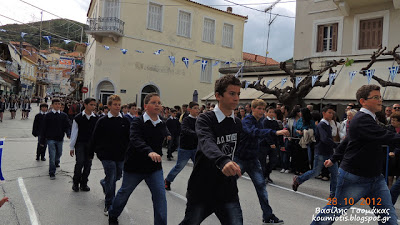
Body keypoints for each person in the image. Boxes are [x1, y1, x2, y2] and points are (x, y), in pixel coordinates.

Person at [312, 85, 400, 224]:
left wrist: (334, 158)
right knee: (332, 212)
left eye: (380, 97)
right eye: (375, 97)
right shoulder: (362, 120)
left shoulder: (370, 119)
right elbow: (386, 136)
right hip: (354, 178)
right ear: (362, 101)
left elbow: (347, 141)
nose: (380, 100)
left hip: (375, 179)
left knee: (389, 218)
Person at [180, 75, 243, 225]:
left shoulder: (237, 123)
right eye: (232, 93)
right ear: (218, 96)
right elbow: (206, 141)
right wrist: (223, 160)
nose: (236, 98)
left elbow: (237, 149)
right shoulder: (205, 119)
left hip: (227, 190)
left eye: (238, 94)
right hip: (202, 188)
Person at [108, 93, 171, 225]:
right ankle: (113, 213)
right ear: (146, 106)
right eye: (154, 102)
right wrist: (150, 152)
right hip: (134, 166)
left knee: (160, 197)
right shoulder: (137, 121)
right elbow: (136, 139)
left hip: (154, 168)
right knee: (124, 193)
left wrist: (168, 135)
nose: (157, 105)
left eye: (159, 102)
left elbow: (165, 132)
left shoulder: (162, 123)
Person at [235, 99, 288, 224]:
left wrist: (277, 141)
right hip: (240, 158)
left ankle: (268, 216)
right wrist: (275, 132)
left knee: (261, 188)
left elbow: (264, 134)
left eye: (263, 109)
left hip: (253, 159)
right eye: (259, 108)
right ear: (252, 109)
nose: (261, 111)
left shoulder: (262, 122)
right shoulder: (247, 121)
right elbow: (253, 132)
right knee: (227, 185)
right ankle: (213, 204)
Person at [89, 95, 130, 216]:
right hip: (106, 155)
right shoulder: (103, 120)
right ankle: (109, 204)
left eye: (119, 104)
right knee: (112, 177)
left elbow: (130, 138)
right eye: (115, 104)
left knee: (117, 175)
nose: (117, 107)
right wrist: (92, 152)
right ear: (109, 106)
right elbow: (95, 137)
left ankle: (104, 182)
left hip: (121, 155)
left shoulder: (125, 121)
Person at [292, 106, 338, 198]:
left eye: (332, 113)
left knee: (335, 173)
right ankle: (298, 179)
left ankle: (333, 194)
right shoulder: (321, 125)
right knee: (316, 172)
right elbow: (324, 138)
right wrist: (336, 145)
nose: (331, 114)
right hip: (321, 152)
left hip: (329, 152)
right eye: (329, 112)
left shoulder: (329, 124)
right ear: (324, 113)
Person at [165, 101, 200, 191]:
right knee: (179, 166)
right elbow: (185, 130)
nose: (197, 110)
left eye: (198, 108)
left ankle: (198, 186)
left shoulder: (199, 120)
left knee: (199, 167)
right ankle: (168, 180)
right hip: (185, 148)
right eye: (195, 108)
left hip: (196, 148)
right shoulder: (186, 120)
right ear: (189, 109)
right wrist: (196, 134)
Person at [69, 98, 99, 192]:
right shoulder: (78, 118)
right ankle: (75, 182)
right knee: (80, 162)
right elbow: (74, 132)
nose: (93, 107)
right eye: (91, 104)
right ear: (85, 105)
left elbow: (98, 133)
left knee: (88, 164)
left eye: (94, 105)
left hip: (91, 145)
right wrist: (71, 147)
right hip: (80, 143)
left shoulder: (96, 118)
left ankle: (84, 183)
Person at [39, 98, 71, 180]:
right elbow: (44, 128)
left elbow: (67, 126)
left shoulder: (64, 115)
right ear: (52, 105)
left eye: (59, 104)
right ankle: (52, 172)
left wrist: (68, 133)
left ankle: (57, 161)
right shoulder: (48, 115)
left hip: (60, 138)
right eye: (56, 104)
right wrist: (42, 140)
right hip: (50, 139)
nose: (57, 105)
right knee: (52, 155)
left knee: (59, 153)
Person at [260, 106, 283, 183]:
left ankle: (267, 174)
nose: (271, 113)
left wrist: (281, 144)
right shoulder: (264, 122)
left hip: (274, 144)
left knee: (273, 160)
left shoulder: (275, 122)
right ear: (266, 113)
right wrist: (270, 143)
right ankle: (263, 176)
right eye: (269, 112)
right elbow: (266, 133)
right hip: (264, 144)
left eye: (273, 112)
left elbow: (278, 132)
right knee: (262, 161)